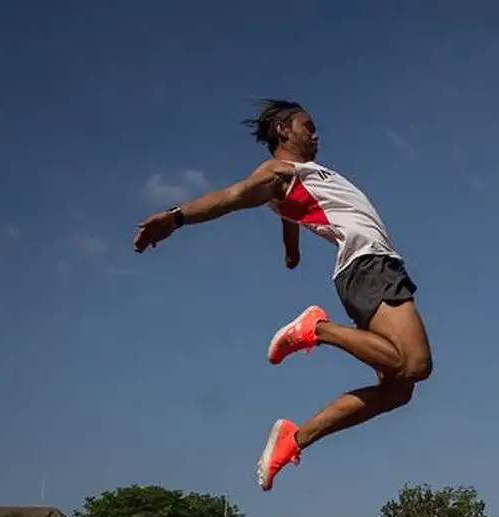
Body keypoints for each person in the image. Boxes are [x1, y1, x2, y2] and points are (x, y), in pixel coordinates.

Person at [132, 99, 433, 491]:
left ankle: (295, 439)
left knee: (397, 390)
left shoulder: (298, 180)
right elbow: (231, 196)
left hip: (365, 269)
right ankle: (316, 329)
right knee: (416, 364)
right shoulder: (277, 173)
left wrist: (292, 251)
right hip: (369, 263)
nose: (316, 134)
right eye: (308, 126)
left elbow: (289, 213)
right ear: (282, 130)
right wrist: (176, 217)